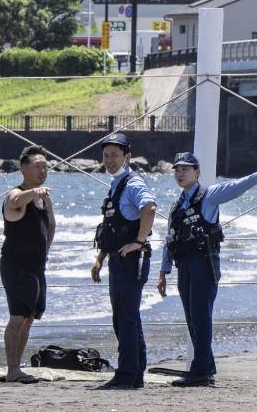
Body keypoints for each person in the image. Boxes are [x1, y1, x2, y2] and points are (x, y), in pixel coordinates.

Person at [156, 153, 257, 387]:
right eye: (177, 170)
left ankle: (201, 371)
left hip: (203, 262)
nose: (180, 173)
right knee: (192, 317)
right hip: (184, 264)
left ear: (197, 172)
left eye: (185, 169)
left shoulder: (208, 196)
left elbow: (233, 188)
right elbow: (170, 238)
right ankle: (204, 367)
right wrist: (163, 272)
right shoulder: (177, 206)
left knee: (201, 316)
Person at [90, 133, 157, 389]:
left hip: (132, 259)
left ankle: (127, 375)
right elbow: (111, 228)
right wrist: (100, 259)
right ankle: (136, 372)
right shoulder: (116, 184)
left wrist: (139, 241)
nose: (109, 160)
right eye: (106, 155)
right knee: (127, 317)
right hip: (118, 259)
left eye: (115, 155)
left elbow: (149, 208)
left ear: (127, 156)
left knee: (125, 318)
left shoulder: (132, 183)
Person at [0, 145, 55, 384]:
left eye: (45, 166)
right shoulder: (18, 194)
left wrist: (45, 251)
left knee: (29, 318)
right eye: (37, 166)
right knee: (17, 317)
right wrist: (33, 193)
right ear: (23, 169)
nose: (42, 170)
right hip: (16, 266)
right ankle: (12, 370)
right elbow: (13, 201)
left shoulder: (44, 197)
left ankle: (18, 368)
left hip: (36, 267)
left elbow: (50, 225)